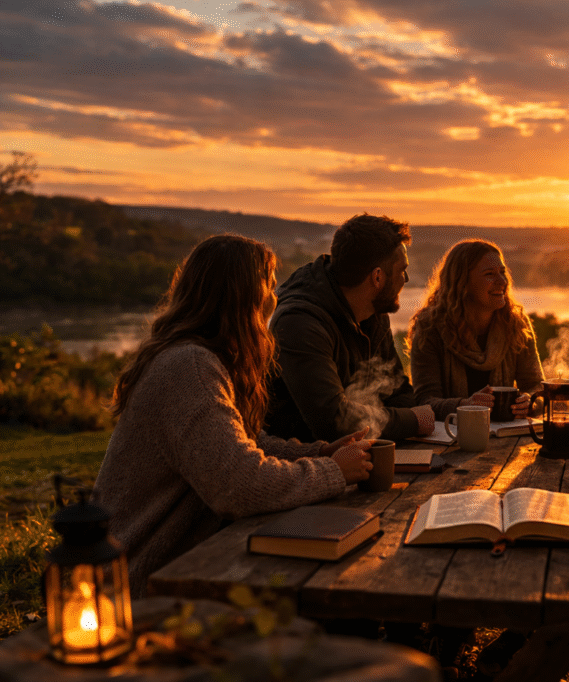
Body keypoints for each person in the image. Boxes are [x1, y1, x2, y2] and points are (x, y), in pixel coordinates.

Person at [93, 235, 373, 596]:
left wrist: (319, 453)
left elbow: (243, 444)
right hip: (137, 580)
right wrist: (333, 471)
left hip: (176, 564)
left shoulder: (199, 358)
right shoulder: (189, 367)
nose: (275, 298)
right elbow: (238, 486)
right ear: (245, 295)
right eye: (270, 286)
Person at [264, 214, 434, 442]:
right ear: (377, 277)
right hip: (306, 465)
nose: (406, 278)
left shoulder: (373, 311)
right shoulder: (300, 323)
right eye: (401, 270)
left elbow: (398, 392)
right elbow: (334, 421)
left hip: (362, 453)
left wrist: (405, 418)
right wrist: (412, 421)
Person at [407, 240, 542, 418]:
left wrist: (530, 401)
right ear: (462, 282)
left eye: (502, 272)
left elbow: (538, 387)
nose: (502, 281)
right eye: (489, 274)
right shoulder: (430, 328)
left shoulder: (516, 324)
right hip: (450, 439)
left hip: (506, 437)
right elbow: (425, 401)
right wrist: (465, 406)